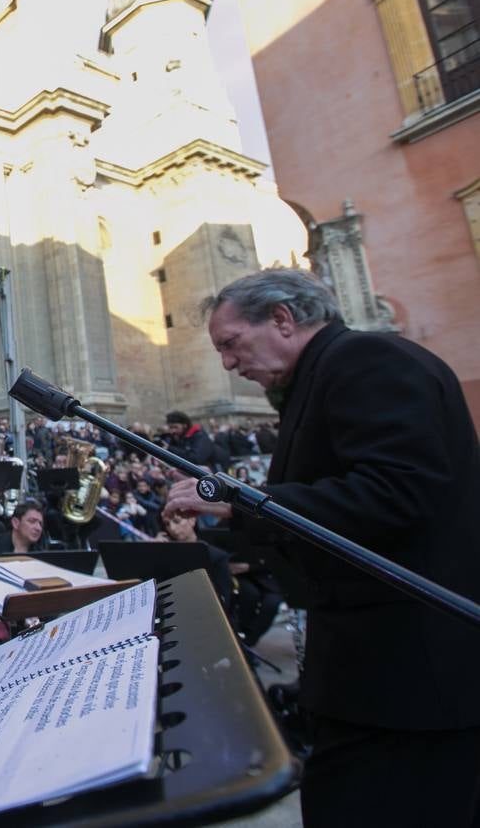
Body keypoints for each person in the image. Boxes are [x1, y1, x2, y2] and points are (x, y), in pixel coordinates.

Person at [163, 268, 480, 826]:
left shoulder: (368, 363)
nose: (229, 364)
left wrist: (242, 501)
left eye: (231, 344)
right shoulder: (326, 376)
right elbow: (321, 512)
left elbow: (397, 493)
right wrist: (217, 529)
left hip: (411, 676)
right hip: (372, 672)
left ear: (282, 320)